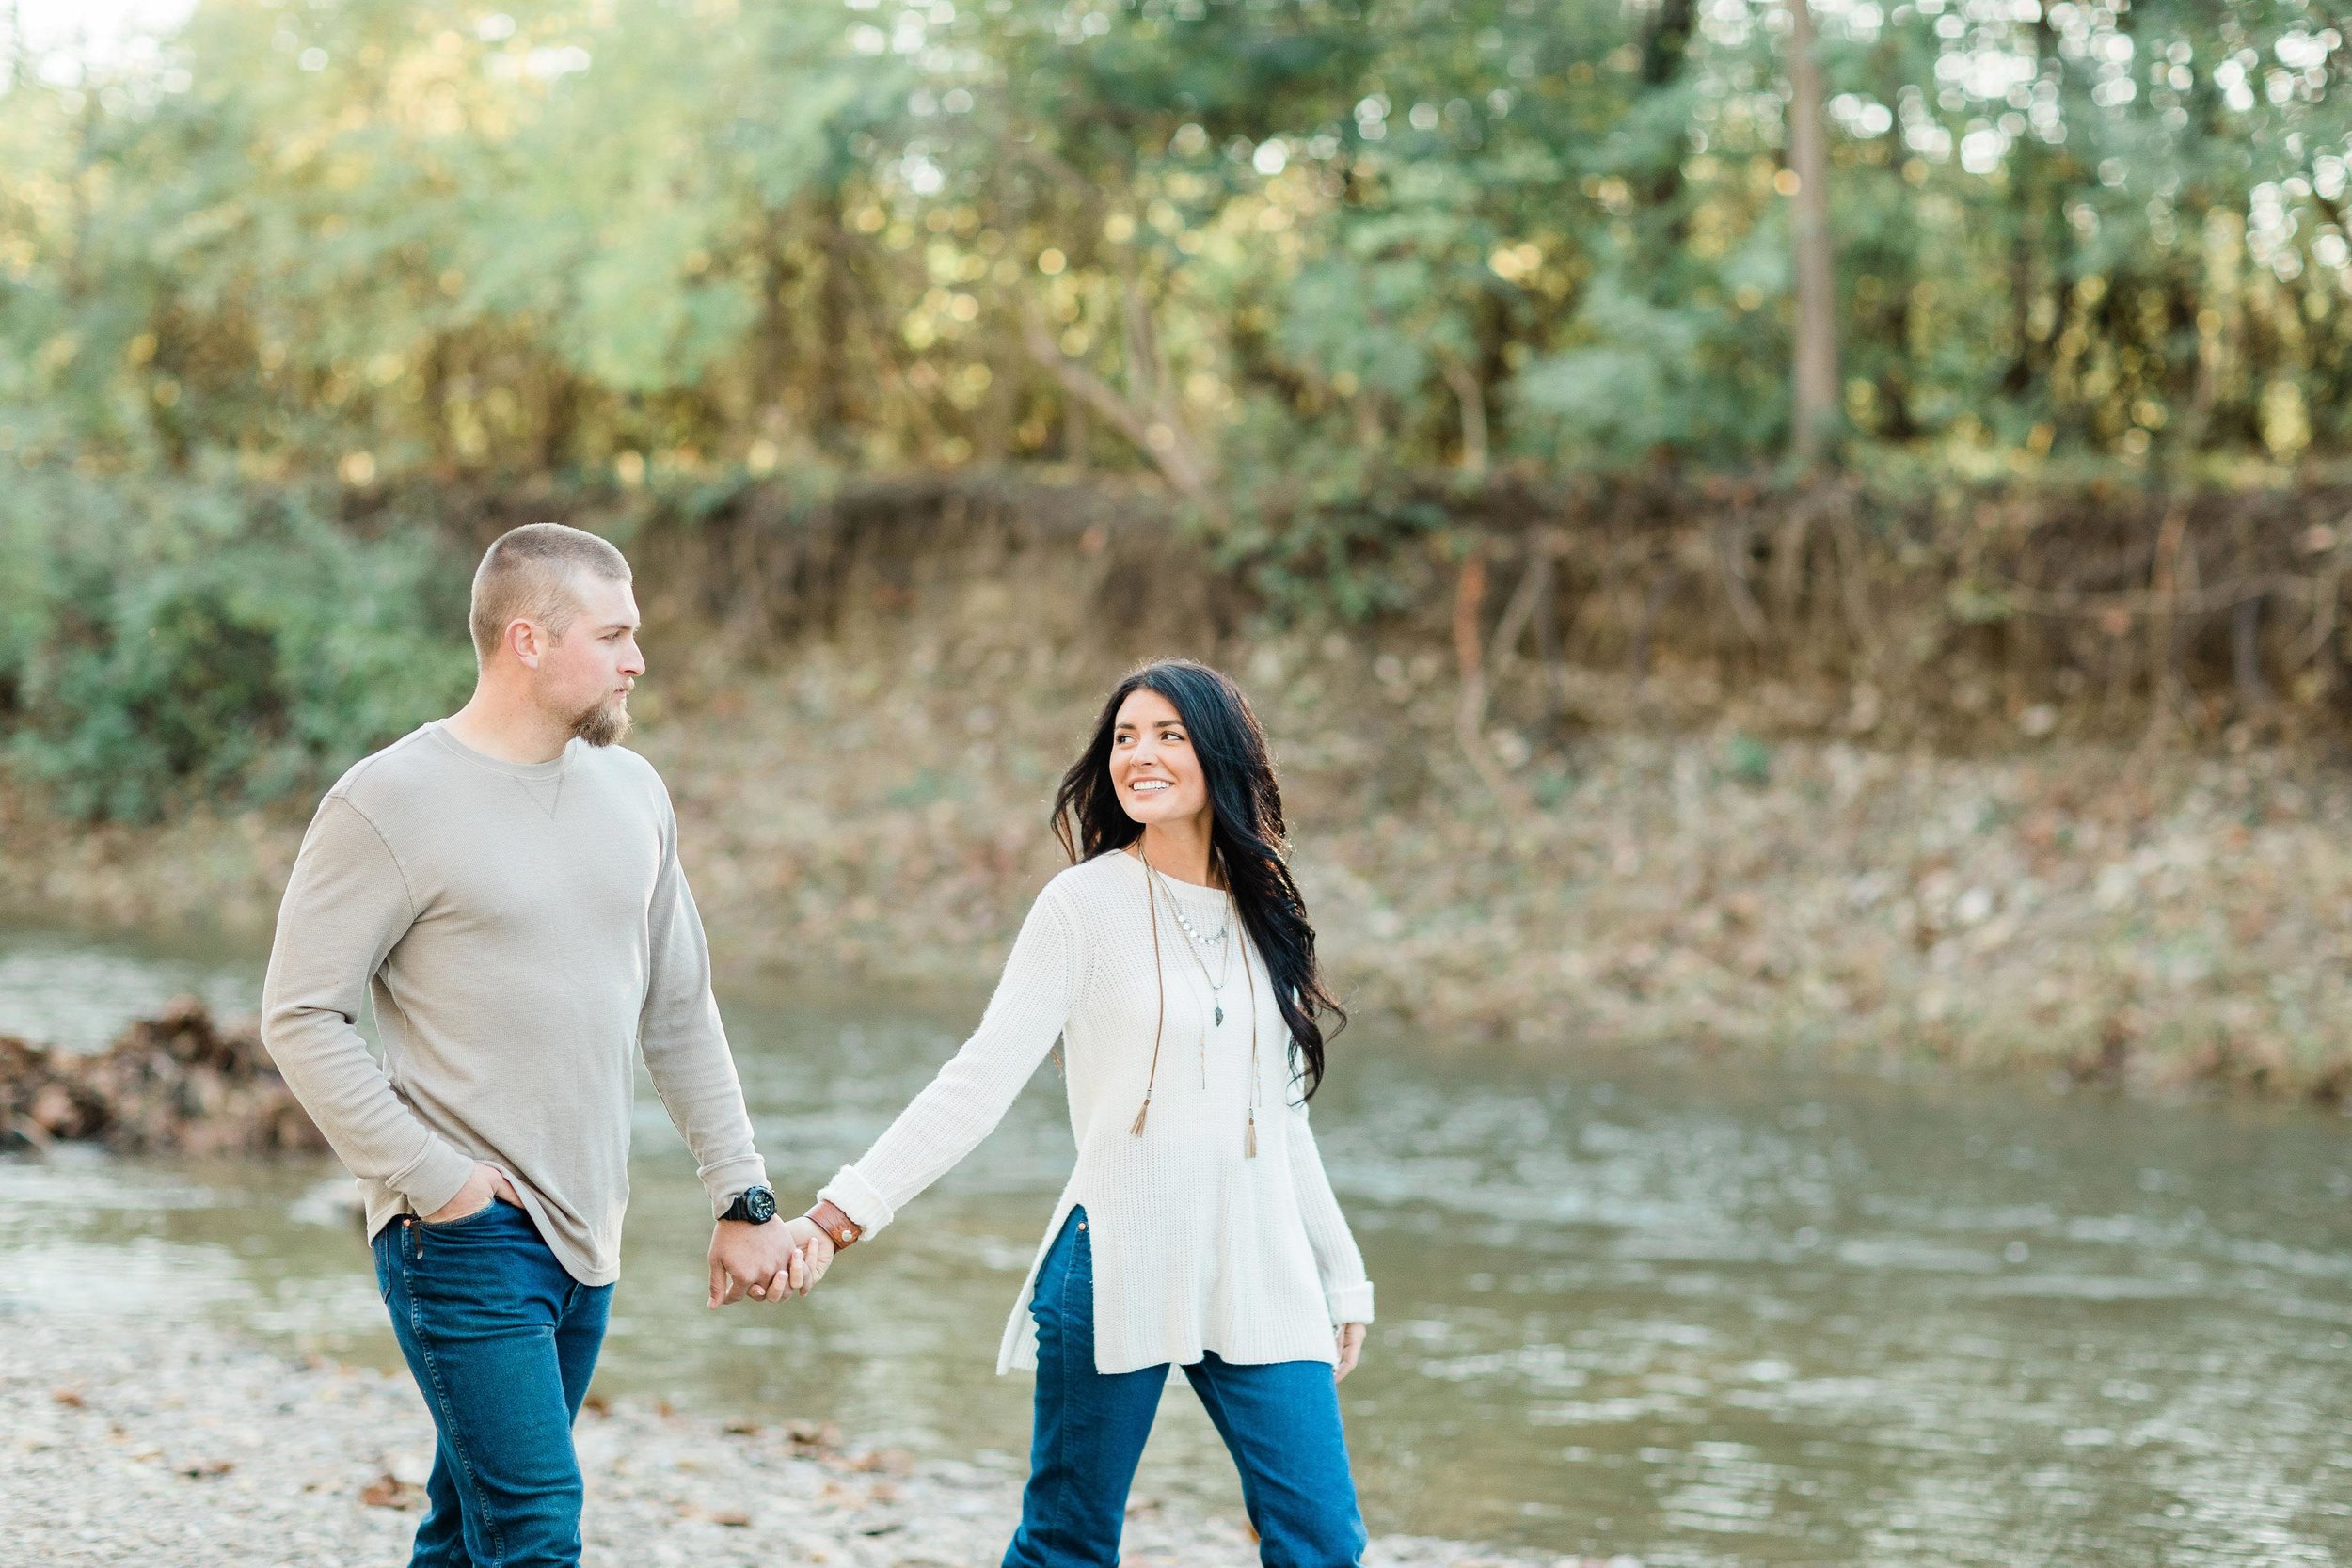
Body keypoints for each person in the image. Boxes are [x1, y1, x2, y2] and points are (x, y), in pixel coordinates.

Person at [260, 522, 824, 1568]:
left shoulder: (634, 792)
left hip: (589, 1232)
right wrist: (437, 1179)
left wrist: (742, 1196)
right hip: (460, 1235)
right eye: (613, 634)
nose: (636, 659)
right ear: (527, 639)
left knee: (467, 1529)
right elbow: (299, 1013)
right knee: (534, 1529)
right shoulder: (387, 800)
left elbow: (681, 1009)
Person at [791, 657, 1375, 1568]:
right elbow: (979, 1077)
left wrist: (1342, 1271)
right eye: (1124, 737)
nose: (1139, 754)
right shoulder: (1079, 905)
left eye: (1168, 734)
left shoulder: (1263, 909)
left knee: (1323, 1542)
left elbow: (1280, 1113)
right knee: (1067, 1541)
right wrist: (841, 1212)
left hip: (1260, 1262)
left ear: (1219, 754)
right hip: (1116, 1255)